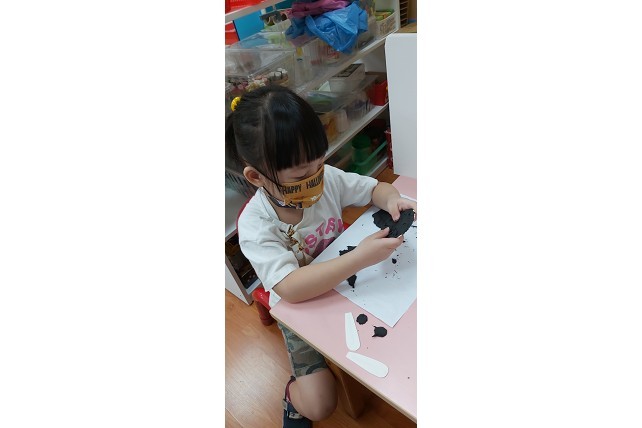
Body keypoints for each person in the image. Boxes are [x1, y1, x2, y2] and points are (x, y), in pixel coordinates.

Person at [225, 85, 417, 427]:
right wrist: (360, 258)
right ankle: (293, 395)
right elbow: (290, 288)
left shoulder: (326, 179)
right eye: (301, 176)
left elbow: (375, 188)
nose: (316, 178)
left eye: (320, 164)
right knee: (319, 404)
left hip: (346, 284)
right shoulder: (256, 225)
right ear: (256, 177)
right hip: (303, 306)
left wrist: (391, 199)